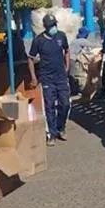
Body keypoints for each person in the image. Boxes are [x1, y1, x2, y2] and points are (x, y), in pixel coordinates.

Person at [28, 14, 70, 146]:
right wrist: (34, 77)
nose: (54, 28)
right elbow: (30, 59)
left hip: (61, 77)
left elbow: (67, 50)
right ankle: (51, 134)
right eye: (52, 26)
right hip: (47, 79)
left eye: (55, 25)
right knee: (50, 106)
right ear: (46, 27)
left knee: (65, 104)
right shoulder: (39, 41)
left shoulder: (61, 36)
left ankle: (61, 127)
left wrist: (67, 66)